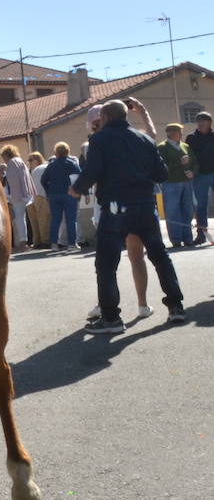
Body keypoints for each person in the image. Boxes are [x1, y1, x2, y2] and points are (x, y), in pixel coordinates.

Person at [71, 100, 186, 332]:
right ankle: (176, 307)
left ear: (104, 117)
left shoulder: (99, 140)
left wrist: (77, 189)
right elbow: (162, 173)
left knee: (106, 264)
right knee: (160, 257)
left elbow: (92, 171)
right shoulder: (144, 139)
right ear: (125, 117)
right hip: (145, 205)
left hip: (115, 208)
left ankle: (111, 318)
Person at [157, 124, 198, 247]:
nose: (181, 134)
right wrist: (179, 163)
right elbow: (161, 167)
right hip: (171, 183)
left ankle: (188, 238)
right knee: (173, 211)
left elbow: (195, 162)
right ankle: (176, 240)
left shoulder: (185, 146)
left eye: (180, 131)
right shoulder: (162, 147)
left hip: (187, 182)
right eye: (178, 131)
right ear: (170, 133)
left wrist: (193, 172)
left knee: (188, 210)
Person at [40, 143, 81, 250]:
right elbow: (79, 178)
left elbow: (43, 180)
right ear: (67, 151)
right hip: (69, 194)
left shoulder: (51, 165)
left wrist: (48, 192)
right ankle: (72, 244)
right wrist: (78, 191)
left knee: (55, 220)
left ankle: (54, 244)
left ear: (56, 152)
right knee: (71, 220)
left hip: (54, 195)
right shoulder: (72, 163)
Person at [1, 145, 35, 250]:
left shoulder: (11, 163)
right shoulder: (21, 161)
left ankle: (22, 242)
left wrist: (12, 197)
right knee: (25, 219)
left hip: (18, 195)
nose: (4, 160)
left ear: (7, 155)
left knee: (20, 219)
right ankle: (27, 241)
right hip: (26, 193)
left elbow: (13, 181)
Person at [189, 112, 214, 244]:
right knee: (201, 207)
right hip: (200, 176)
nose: (201, 123)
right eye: (199, 120)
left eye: (204, 120)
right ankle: (201, 235)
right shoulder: (191, 138)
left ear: (209, 122)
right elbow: (189, 156)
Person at [25, 151, 51, 248]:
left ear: (38, 159)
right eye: (28, 160)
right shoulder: (30, 170)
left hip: (40, 196)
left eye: (31, 160)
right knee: (34, 221)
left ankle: (44, 241)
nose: (29, 162)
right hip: (32, 197)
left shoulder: (43, 168)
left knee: (42, 219)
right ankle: (37, 241)